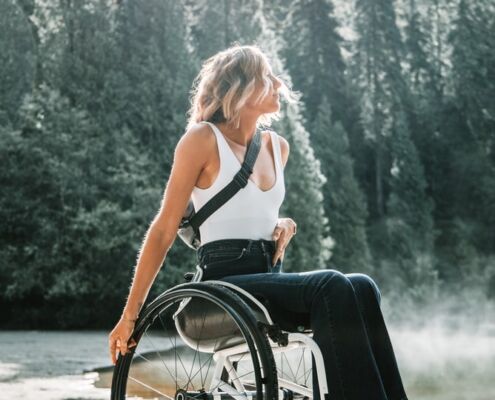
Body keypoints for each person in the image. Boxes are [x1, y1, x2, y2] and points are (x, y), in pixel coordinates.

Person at [108, 44, 409, 400]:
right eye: (267, 76)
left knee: (361, 287)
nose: (279, 83)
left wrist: (283, 221)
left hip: (265, 280)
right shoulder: (201, 140)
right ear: (241, 88)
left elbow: (249, 209)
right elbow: (163, 229)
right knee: (331, 284)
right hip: (219, 292)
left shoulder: (277, 147)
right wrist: (130, 316)